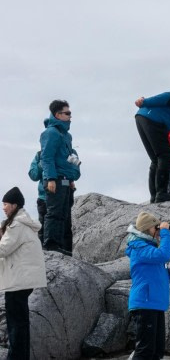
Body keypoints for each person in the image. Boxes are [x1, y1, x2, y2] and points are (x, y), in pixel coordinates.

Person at [0, 188, 47, 360]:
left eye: (5, 204)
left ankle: (16, 357)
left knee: (16, 323)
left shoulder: (17, 225)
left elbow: (3, 249)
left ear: (14, 205)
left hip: (18, 280)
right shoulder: (22, 222)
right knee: (20, 322)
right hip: (23, 280)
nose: (3, 208)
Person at [126, 212, 170, 360]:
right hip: (145, 304)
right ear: (147, 228)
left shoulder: (149, 249)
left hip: (155, 304)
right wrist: (165, 232)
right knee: (145, 350)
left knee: (157, 351)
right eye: (156, 228)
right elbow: (164, 255)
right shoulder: (139, 247)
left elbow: (156, 277)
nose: (158, 232)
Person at [39, 99, 81, 255]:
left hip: (65, 180)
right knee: (54, 212)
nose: (70, 116)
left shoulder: (66, 135)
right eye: (67, 113)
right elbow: (46, 157)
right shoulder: (51, 133)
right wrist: (50, 178)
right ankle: (50, 245)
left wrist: (70, 180)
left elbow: (67, 158)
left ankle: (61, 246)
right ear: (57, 114)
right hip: (55, 179)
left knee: (64, 214)